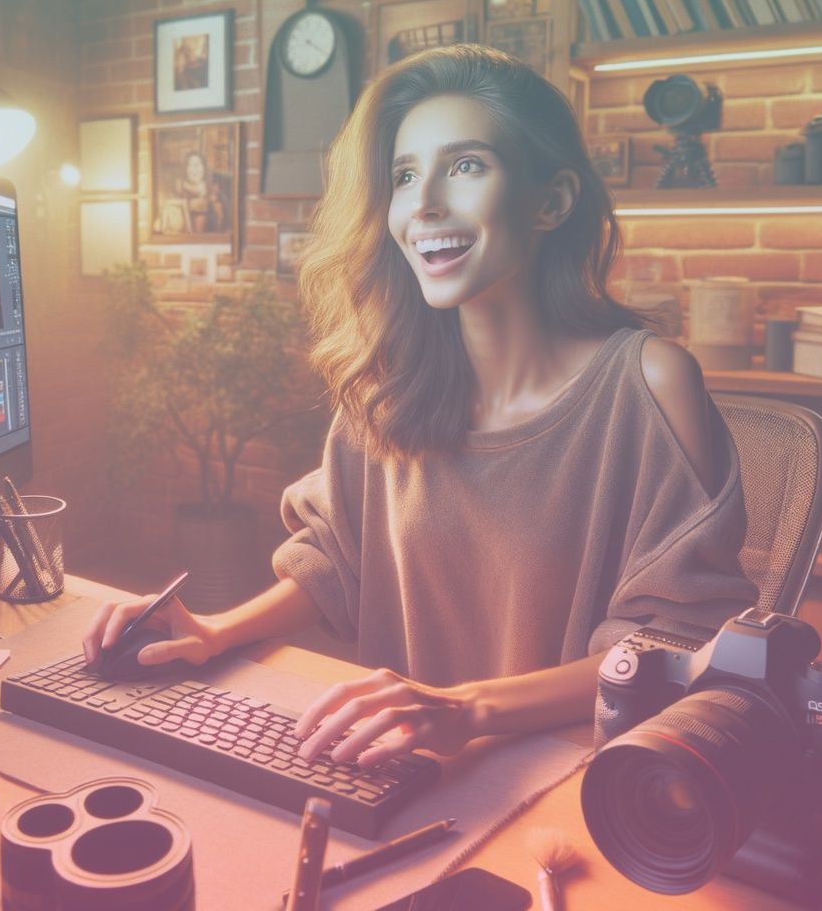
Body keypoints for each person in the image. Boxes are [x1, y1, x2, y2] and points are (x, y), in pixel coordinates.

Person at [83, 44, 752, 770]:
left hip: (571, 783)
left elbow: (674, 648)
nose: (425, 202)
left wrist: (466, 710)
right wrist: (215, 631)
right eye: (405, 176)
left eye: (466, 166)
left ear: (551, 201)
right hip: (394, 767)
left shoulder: (650, 385)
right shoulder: (388, 383)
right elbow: (336, 559)